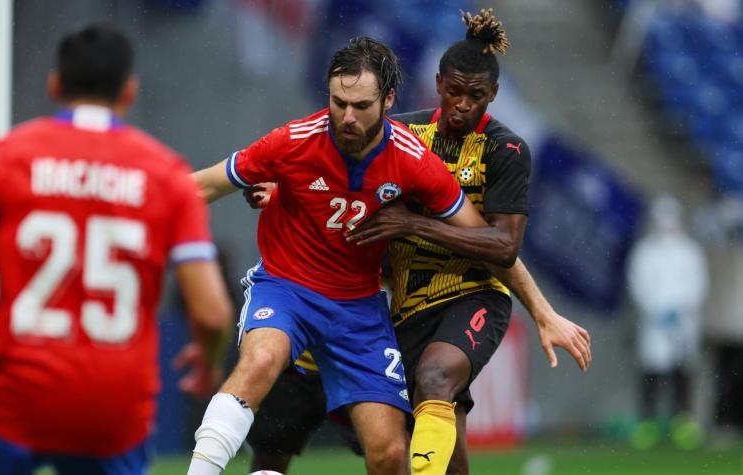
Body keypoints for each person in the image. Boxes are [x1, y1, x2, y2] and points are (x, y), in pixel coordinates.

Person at [243, 9, 591, 475]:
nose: (463, 105)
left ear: (494, 95)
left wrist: (414, 225)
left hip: (473, 295)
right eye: (454, 91)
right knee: (431, 430)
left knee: (434, 378)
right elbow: (342, 176)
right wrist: (282, 190)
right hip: (404, 303)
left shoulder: (505, 151)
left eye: (477, 96)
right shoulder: (403, 135)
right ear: (438, 82)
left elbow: (504, 247)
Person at [0, 25, 233, 475]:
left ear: (55, 84)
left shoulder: (5, 156)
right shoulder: (167, 176)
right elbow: (211, 313)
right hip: (113, 410)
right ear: (129, 91)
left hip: (13, 401)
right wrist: (208, 363)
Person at [626, 194, 708, 450]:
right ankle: (648, 423)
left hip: (684, 321)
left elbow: (698, 283)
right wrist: (656, 310)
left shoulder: (690, 251)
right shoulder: (645, 251)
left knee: (682, 372)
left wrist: (682, 309)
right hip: (654, 323)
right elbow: (638, 283)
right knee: (652, 372)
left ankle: (681, 422)